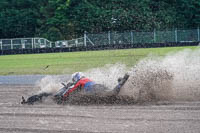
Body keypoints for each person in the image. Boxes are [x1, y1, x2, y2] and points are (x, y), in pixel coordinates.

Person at [62, 72, 129, 99]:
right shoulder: (86, 79)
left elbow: (72, 89)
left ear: (76, 77)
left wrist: (64, 95)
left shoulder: (80, 81)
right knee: (111, 93)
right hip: (98, 86)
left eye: (74, 79)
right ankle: (119, 84)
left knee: (112, 93)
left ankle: (120, 83)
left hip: (94, 89)